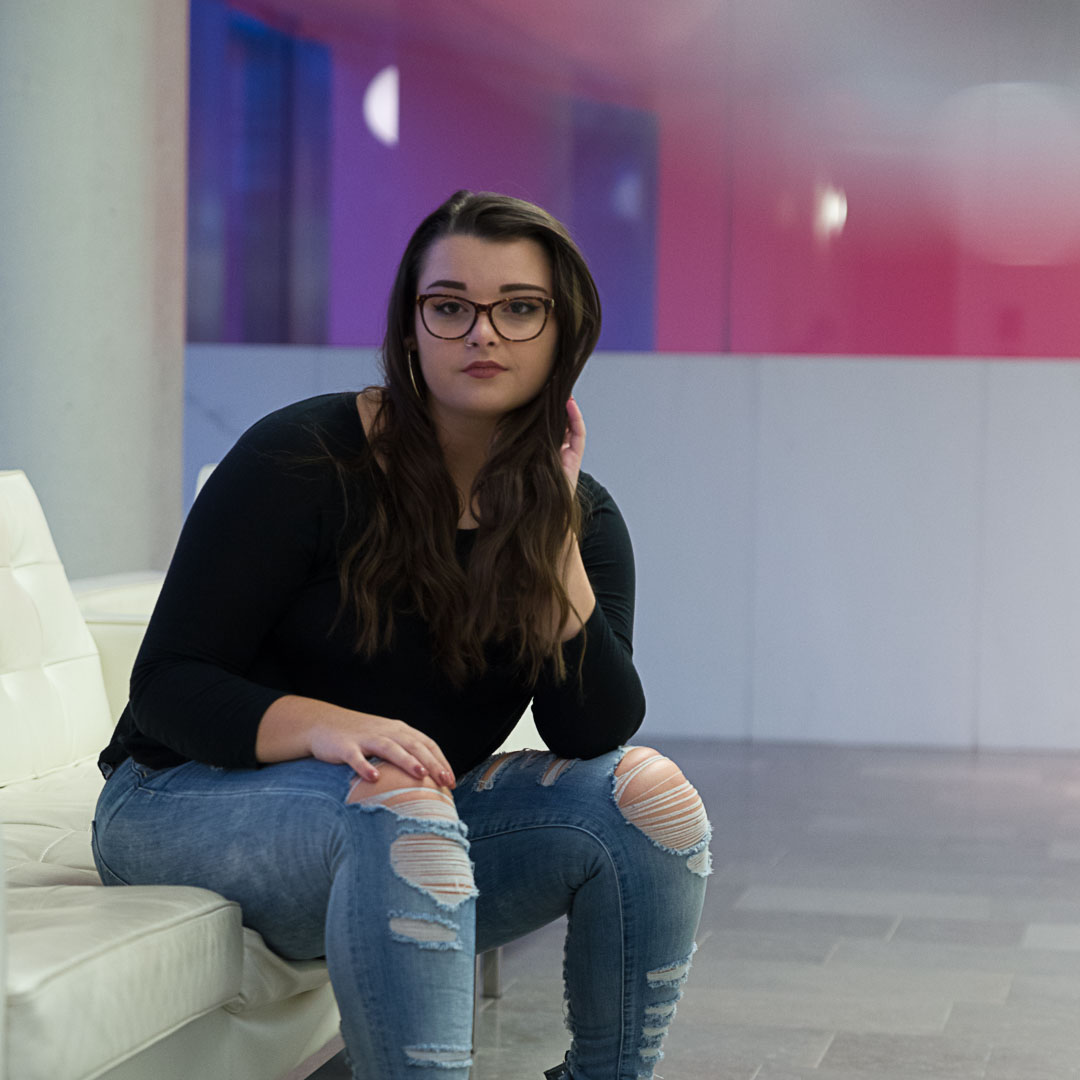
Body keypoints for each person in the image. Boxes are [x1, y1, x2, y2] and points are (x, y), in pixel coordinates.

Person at [92, 190, 710, 1080]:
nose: (482, 333)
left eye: (519, 308)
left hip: (404, 817)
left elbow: (591, 729)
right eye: (450, 305)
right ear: (412, 325)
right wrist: (323, 725)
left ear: (562, 333)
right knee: (395, 799)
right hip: (178, 803)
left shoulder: (584, 518)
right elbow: (166, 685)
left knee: (646, 800)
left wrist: (550, 530)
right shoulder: (300, 458)